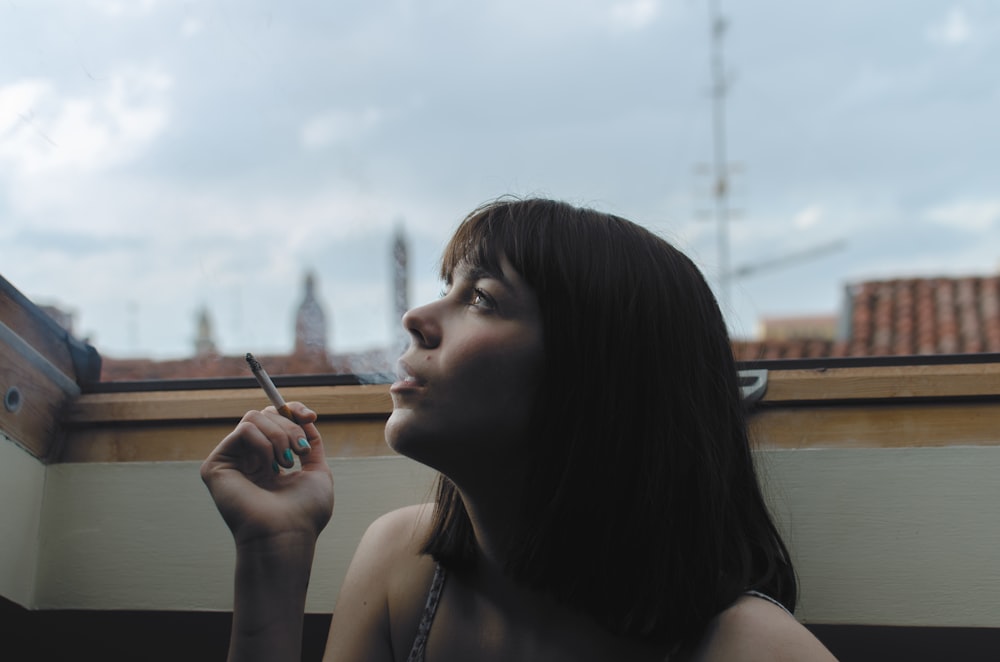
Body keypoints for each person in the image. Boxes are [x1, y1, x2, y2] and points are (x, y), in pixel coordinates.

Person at [202, 197, 838, 661]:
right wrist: (272, 555)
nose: (415, 316)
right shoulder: (403, 567)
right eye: (445, 287)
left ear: (594, 378)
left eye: (480, 297)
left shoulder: (753, 650)